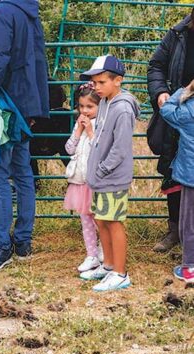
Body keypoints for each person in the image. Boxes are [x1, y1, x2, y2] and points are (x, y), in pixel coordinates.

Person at [0, 0, 49, 272]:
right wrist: (34, 106)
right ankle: (23, 241)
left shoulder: (2, 13)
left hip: (4, 105)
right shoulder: (29, 13)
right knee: (22, 172)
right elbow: (39, 61)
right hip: (25, 104)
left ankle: (1, 246)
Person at [79, 55, 140, 292]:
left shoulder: (123, 109)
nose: (97, 87)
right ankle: (108, 265)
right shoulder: (105, 102)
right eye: (94, 82)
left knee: (114, 222)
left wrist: (103, 168)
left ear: (118, 80)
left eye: (102, 82)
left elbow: (120, 148)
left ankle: (120, 272)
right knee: (102, 219)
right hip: (101, 176)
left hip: (111, 177)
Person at [147, 8, 193, 253]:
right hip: (178, 112)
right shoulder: (177, 34)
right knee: (173, 170)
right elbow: (156, 66)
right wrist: (160, 92)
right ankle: (175, 229)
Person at [64, 83, 103, 273]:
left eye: (90, 107)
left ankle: (105, 251)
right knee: (86, 219)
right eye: (81, 106)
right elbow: (69, 149)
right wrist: (78, 132)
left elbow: (100, 148)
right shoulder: (77, 125)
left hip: (96, 181)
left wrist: (89, 131)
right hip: (80, 181)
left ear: (99, 106)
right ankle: (91, 255)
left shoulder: (102, 123)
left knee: (101, 219)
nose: (85, 111)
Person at [159, 80, 194, 283]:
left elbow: (167, 109)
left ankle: (189, 266)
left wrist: (183, 90)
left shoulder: (187, 111)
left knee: (189, 223)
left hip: (191, 176)